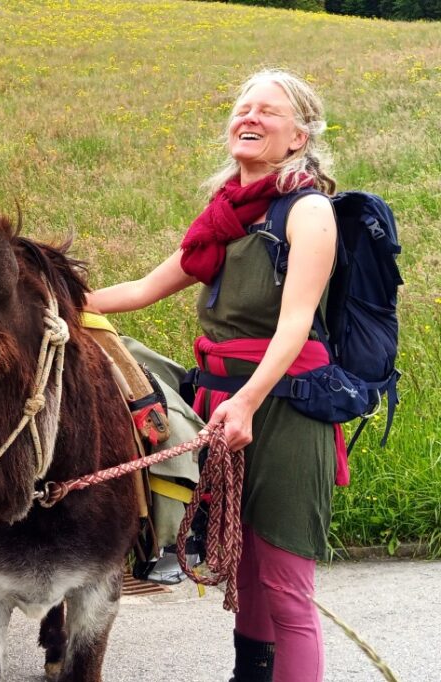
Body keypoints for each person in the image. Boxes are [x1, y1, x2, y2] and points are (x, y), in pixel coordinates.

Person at [85, 69, 339, 682]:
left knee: (284, 582)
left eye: (268, 112)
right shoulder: (224, 218)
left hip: (285, 407)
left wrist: (248, 402)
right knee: (246, 568)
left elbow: (296, 325)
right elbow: (146, 288)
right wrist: (61, 301)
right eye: (242, 108)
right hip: (224, 400)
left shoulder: (308, 213)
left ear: (298, 137)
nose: (249, 117)